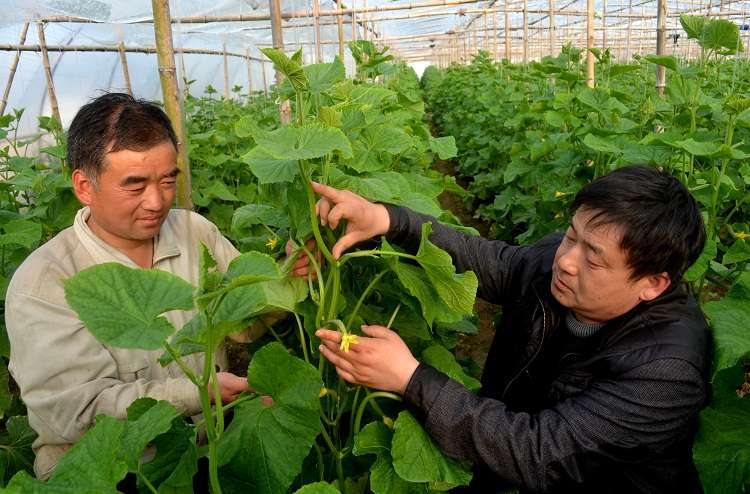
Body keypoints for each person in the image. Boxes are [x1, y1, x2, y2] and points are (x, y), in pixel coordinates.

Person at [310, 166, 709, 493]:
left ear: (652, 283)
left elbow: (541, 453)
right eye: (572, 235)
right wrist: (385, 220)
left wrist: (410, 379)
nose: (566, 261)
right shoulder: (557, 265)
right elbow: (489, 260)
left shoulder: (665, 371)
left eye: (594, 259)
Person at [4, 93, 259, 480]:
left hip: (207, 450)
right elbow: (77, 414)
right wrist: (200, 392)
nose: (157, 202)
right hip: (110, 475)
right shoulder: (45, 283)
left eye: (168, 180)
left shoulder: (194, 231)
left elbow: (244, 322)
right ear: (84, 186)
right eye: (135, 186)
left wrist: (289, 280)